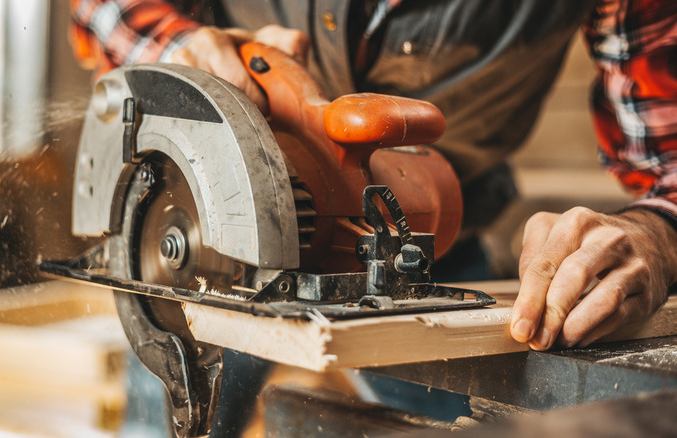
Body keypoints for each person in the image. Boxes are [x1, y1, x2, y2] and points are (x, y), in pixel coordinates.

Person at [69, 0, 677, 350]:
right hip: (202, 222)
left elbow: (668, 155)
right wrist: (181, 52)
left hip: (434, 246)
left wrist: (656, 231)